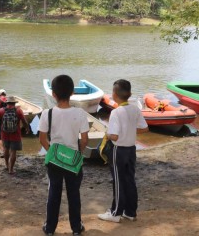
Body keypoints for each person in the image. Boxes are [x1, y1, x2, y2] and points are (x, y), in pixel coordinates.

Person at [38, 75, 89, 236]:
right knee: (74, 194)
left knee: (54, 193)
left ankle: (50, 228)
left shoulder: (48, 113)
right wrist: (78, 154)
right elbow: (85, 140)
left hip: (54, 161)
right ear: (72, 92)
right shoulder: (80, 113)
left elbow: (42, 138)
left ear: (53, 94)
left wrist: (52, 152)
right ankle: (76, 228)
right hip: (74, 160)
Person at [98, 79, 149, 223]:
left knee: (118, 181)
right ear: (130, 94)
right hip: (131, 149)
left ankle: (115, 213)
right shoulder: (135, 109)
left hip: (118, 150)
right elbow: (145, 128)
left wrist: (106, 134)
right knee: (129, 180)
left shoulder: (116, 112)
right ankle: (130, 212)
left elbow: (114, 136)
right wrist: (130, 130)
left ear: (114, 94)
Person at [0, 96, 27, 174]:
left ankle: (7, 165)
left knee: (6, 149)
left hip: (4, 134)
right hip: (16, 134)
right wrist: (27, 128)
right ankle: (11, 170)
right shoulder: (19, 111)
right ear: (14, 103)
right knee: (13, 151)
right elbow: (24, 122)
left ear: (7, 103)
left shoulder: (1, 111)